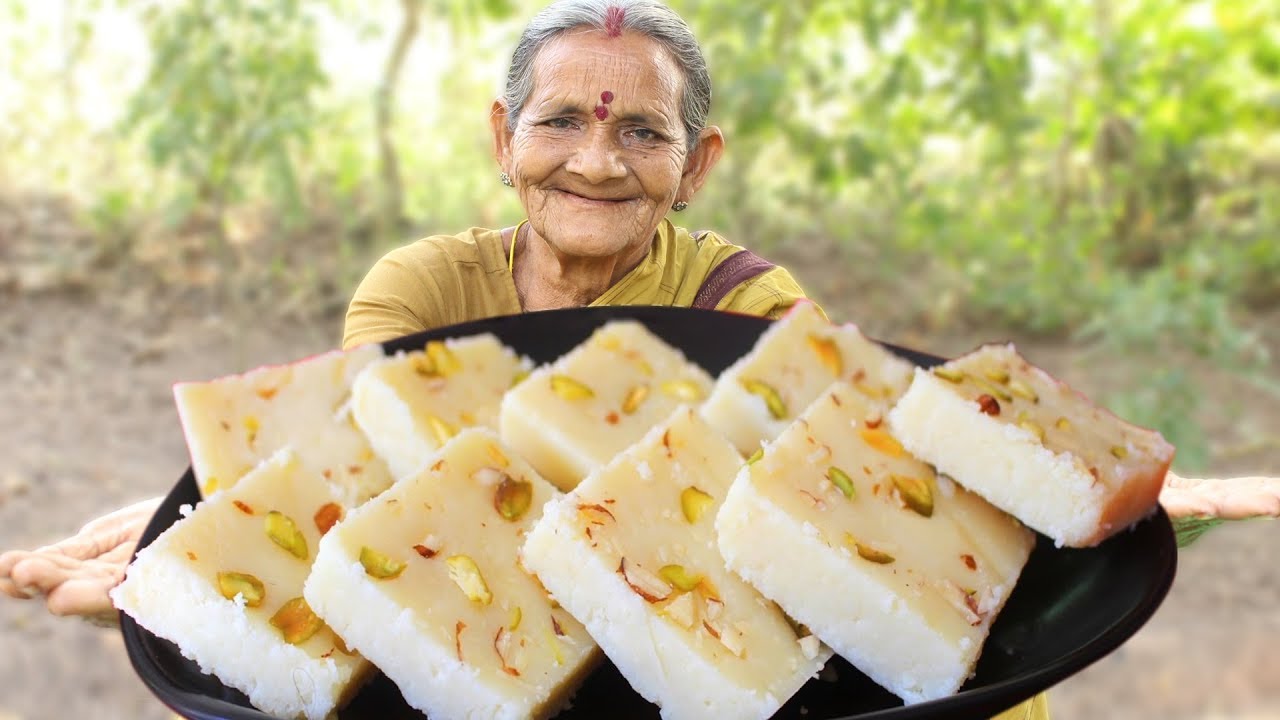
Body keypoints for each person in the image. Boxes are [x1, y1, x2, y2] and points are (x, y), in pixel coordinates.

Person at [1, 2, 1273, 719]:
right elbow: (372, 475)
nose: (595, 162)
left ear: (694, 162)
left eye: (643, 131)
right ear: (505, 139)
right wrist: (202, 539)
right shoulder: (417, 289)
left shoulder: (751, 303)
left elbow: (856, 489)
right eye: (559, 120)